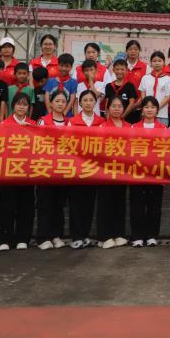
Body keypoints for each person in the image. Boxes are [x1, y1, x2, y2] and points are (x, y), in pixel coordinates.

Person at [0, 93, 37, 250]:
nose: (21, 107)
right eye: (19, 104)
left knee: (26, 206)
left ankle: (23, 238)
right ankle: (3, 239)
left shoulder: (33, 125)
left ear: (28, 107)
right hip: (8, 172)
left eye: (25, 104)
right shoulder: (4, 124)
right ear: (13, 105)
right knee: (6, 206)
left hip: (27, 172)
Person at [35, 90, 71, 250]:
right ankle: (43, 237)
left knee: (59, 204)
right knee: (45, 203)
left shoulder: (69, 123)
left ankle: (56, 235)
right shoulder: (43, 121)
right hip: (45, 169)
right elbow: (37, 143)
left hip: (62, 169)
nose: (60, 104)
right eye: (57, 101)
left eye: (63, 101)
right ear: (51, 103)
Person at [68, 90, 103, 248]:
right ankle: (76, 236)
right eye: (85, 100)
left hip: (94, 169)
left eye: (91, 100)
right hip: (76, 168)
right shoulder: (73, 121)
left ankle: (86, 235)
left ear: (95, 103)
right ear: (80, 103)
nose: (88, 103)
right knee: (76, 203)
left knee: (89, 203)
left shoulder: (101, 122)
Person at [128, 96, 165, 248]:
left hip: (156, 173)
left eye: (153, 107)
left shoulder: (163, 129)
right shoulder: (133, 128)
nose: (150, 110)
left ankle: (152, 236)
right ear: (141, 110)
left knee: (154, 206)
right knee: (137, 205)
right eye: (146, 107)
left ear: (157, 110)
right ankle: (137, 236)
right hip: (137, 172)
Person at [98, 97, 131, 248]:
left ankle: (119, 234)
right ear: (108, 108)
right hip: (105, 171)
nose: (117, 109)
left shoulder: (129, 127)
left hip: (122, 171)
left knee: (120, 202)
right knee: (105, 203)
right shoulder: (102, 126)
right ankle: (104, 236)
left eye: (120, 106)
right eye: (114, 106)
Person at [139, 51, 170, 127]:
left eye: (159, 61)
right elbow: (143, 94)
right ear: (151, 63)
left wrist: (156, 108)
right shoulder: (145, 78)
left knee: (161, 134)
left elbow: (168, 97)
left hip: (162, 115)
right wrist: (147, 108)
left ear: (164, 63)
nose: (157, 63)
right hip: (147, 114)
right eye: (154, 61)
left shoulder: (168, 79)